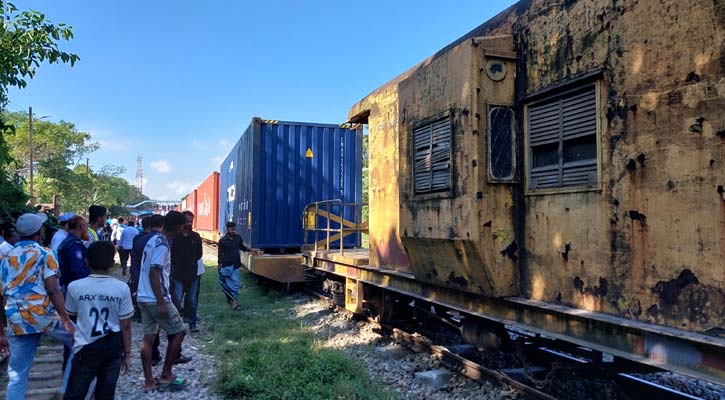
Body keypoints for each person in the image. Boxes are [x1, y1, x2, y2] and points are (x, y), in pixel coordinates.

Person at [0, 213, 75, 400]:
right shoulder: (45, 253)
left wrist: (1, 332)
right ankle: (68, 391)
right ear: (39, 232)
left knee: (17, 374)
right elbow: (53, 290)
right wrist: (66, 321)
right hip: (44, 316)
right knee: (81, 343)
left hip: (16, 318)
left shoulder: (5, 258)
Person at [64, 241, 133, 400]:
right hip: (112, 346)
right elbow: (126, 325)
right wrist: (127, 354)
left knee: (75, 393)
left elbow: (72, 316)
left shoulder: (75, 287)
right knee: (106, 392)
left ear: (87, 262)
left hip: (85, 346)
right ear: (112, 263)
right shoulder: (122, 288)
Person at [137, 211, 188, 392]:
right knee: (179, 332)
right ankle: (166, 374)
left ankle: (149, 381)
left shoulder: (153, 239)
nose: (183, 230)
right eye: (183, 227)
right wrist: (161, 301)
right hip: (155, 298)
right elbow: (154, 272)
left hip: (143, 297)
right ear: (177, 227)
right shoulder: (163, 245)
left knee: (148, 338)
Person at [170, 211, 202, 333]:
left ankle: (192, 324)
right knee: (177, 299)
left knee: (192, 301)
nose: (189, 224)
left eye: (191, 221)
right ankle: (176, 325)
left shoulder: (196, 237)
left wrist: (191, 262)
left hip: (193, 273)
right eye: (187, 221)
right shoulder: (175, 237)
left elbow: (199, 254)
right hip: (178, 274)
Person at [217, 221, 248, 310]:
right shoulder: (222, 241)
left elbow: (242, 247)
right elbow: (220, 254)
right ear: (227, 229)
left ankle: (234, 303)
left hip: (235, 265)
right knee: (227, 285)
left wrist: (249, 250)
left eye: (234, 229)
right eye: (231, 229)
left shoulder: (238, 238)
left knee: (235, 285)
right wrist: (219, 264)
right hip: (226, 266)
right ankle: (231, 301)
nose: (233, 231)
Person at [57, 216, 91, 290]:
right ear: (81, 226)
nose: (87, 229)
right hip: (75, 288)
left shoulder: (67, 241)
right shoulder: (73, 245)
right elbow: (77, 269)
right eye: (86, 226)